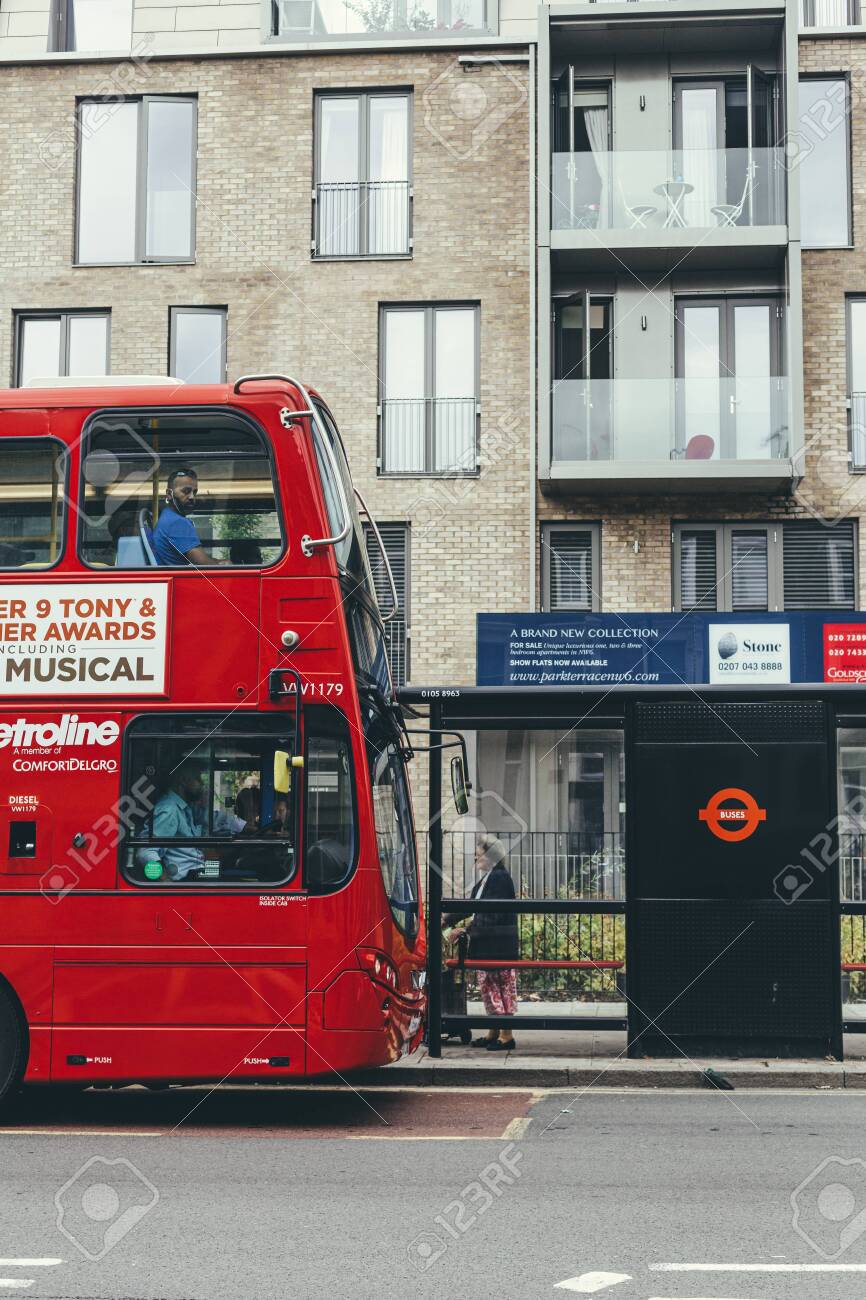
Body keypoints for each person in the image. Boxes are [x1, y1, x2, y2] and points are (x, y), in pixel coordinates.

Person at [447, 836, 520, 1052]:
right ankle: (494, 1032)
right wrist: (448, 918)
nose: (475, 857)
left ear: (490, 856)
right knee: (489, 988)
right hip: (488, 945)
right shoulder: (487, 879)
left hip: (498, 946)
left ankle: (507, 1035)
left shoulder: (499, 878)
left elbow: (492, 914)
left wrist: (465, 930)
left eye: (478, 854)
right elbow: (473, 907)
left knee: (501, 988)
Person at [151, 761, 246, 881]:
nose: (202, 784)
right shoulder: (169, 809)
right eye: (198, 779)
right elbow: (147, 852)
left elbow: (212, 818)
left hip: (198, 872)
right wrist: (166, 884)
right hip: (186, 878)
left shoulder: (186, 808)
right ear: (184, 780)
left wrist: (244, 826)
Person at [150, 468, 218, 567]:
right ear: (169, 494)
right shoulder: (177, 523)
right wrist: (224, 564)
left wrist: (219, 561)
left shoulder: (167, 515)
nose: (192, 497)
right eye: (186, 491)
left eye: (194, 492)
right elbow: (206, 566)